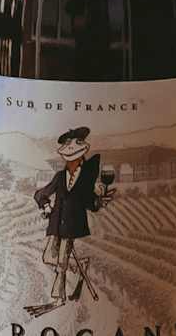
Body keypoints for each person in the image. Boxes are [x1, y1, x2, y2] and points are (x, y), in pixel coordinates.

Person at [29, 125, 117, 311]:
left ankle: (58, 298)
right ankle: (79, 267)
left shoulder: (85, 179)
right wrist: (46, 206)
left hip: (72, 226)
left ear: (81, 153)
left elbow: (90, 203)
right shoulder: (60, 176)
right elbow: (40, 194)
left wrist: (100, 201)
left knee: (61, 262)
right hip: (56, 224)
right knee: (48, 258)